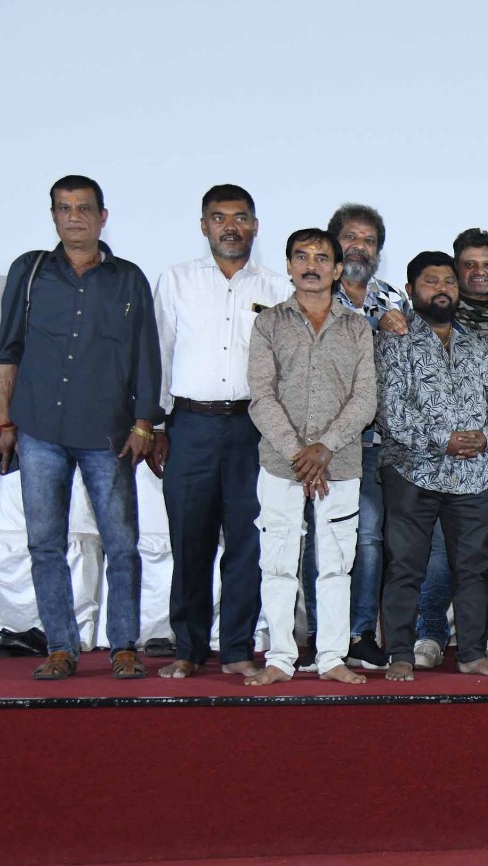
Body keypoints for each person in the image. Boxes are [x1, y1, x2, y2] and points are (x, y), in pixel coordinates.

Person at [0, 175, 161, 681]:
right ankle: (61, 647)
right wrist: (2, 419)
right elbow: (9, 349)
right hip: (39, 427)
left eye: (84, 208)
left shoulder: (129, 279)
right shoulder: (30, 271)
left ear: (103, 216)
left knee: (121, 545)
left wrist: (144, 424)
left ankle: (123, 646)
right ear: (53, 216)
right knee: (45, 544)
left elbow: (145, 355)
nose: (74, 217)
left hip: (107, 431)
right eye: (64, 208)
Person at [149, 184, 291, 679]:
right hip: (189, 425)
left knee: (248, 542)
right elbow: (160, 352)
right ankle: (187, 649)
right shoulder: (176, 280)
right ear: (203, 225)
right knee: (190, 540)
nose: (230, 227)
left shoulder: (277, 288)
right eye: (219, 217)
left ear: (255, 225)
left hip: (254, 430)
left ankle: (235, 649)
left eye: (240, 217)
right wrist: (156, 423)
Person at [245, 228, 376, 687]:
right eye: (301, 256)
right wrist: (299, 454)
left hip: (339, 464)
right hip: (280, 463)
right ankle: (280, 658)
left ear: (337, 270)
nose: (311, 265)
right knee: (278, 563)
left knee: (336, 564)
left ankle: (331, 658)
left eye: (322, 258)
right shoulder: (269, 324)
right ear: (288, 265)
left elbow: (365, 399)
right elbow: (260, 396)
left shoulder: (357, 328)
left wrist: (325, 447)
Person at [376, 251, 488, 679]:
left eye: (449, 282)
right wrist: (444, 441)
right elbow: (390, 410)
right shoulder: (394, 341)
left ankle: (471, 654)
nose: (442, 289)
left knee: (474, 570)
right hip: (413, 472)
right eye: (431, 281)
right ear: (411, 289)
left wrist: (486, 438)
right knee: (405, 567)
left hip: (473, 477)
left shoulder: (479, 347)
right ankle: (400, 654)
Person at [308, 204, 409, 673]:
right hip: (325, 442)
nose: (359, 247)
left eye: (369, 241)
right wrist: (373, 329)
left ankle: (360, 633)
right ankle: (321, 633)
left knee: (369, 537)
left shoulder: (392, 297)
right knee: (323, 538)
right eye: (351, 237)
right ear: (334, 243)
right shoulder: (315, 295)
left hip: (377, 444)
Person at [413, 229, 488, 670]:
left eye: (486, 264)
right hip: (436, 456)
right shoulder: (424, 319)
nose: (478, 272)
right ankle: (430, 635)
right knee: (438, 551)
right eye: (468, 265)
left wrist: (487, 437)